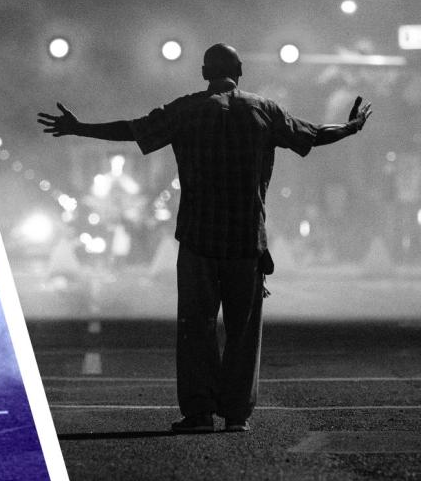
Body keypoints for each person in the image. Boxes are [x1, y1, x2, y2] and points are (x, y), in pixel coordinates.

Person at [38, 43, 372, 434]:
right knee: (243, 331)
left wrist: (79, 128)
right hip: (247, 240)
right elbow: (313, 135)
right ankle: (236, 415)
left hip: (198, 237)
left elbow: (132, 130)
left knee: (196, 327)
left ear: (203, 72)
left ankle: (198, 413)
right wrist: (350, 128)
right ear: (241, 70)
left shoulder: (186, 109)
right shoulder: (265, 110)